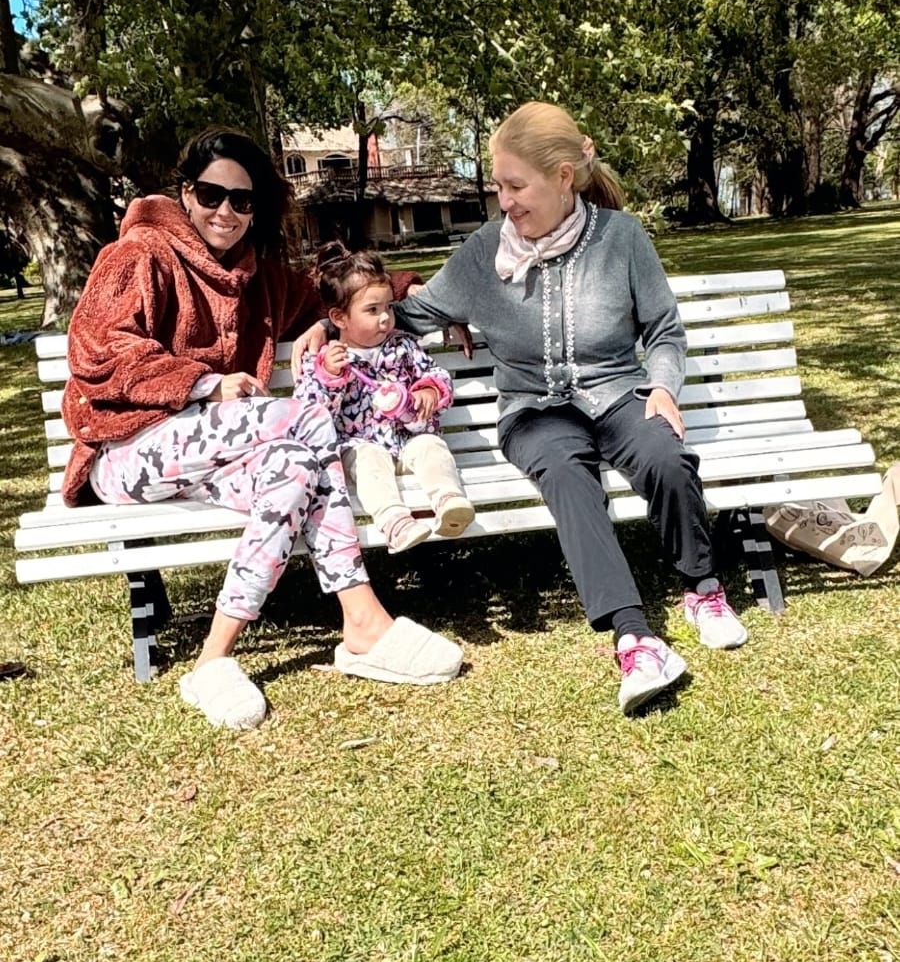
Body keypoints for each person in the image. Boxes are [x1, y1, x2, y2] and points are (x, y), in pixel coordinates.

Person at [299, 100, 747, 715]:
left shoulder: (621, 238)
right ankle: (635, 638)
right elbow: (409, 312)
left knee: (666, 457)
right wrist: (331, 328)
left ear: (563, 176)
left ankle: (702, 588)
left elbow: (663, 330)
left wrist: (663, 386)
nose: (504, 202)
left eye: (515, 186)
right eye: (499, 187)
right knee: (567, 476)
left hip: (617, 393)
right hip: (535, 412)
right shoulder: (487, 251)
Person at [61, 127, 463, 731]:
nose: (226, 211)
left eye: (242, 200)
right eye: (211, 194)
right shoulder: (139, 254)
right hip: (129, 450)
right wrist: (202, 382)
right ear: (185, 193)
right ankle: (363, 616)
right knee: (304, 415)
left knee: (296, 467)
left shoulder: (258, 276)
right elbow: (95, 351)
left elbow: (336, 296)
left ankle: (214, 661)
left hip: (211, 459)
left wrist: (431, 303)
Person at [293, 242, 475, 553]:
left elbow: (436, 374)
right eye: (372, 310)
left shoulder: (402, 346)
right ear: (339, 318)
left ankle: (449, 502)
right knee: (369, 461)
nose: (386, 318)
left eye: (389, 307)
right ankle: (394, 522)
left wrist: (430, 390)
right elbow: (311, 413)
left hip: (407, 440)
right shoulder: (327, 360)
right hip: (360, 446)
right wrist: (331, 378)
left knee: (431, 446)